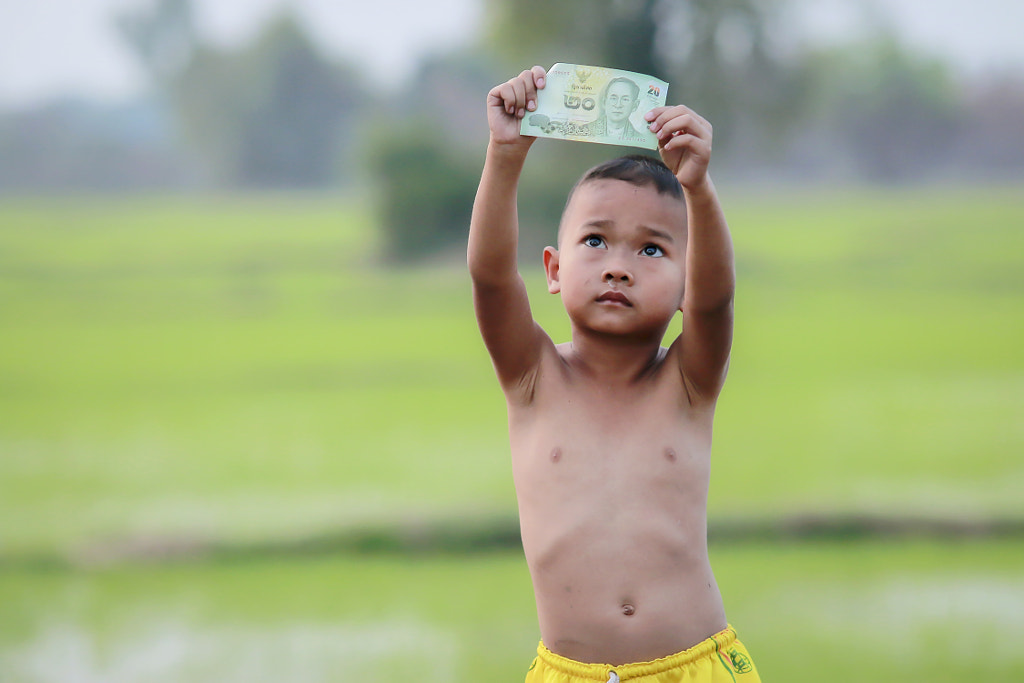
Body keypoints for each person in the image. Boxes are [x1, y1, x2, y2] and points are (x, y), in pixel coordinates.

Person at [468, 65, 762, 683]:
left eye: (651, 249)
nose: (618, 267)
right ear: (552, 268)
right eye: (596, 241)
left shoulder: (688, 383)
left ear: (687, 279)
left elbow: (715, 303)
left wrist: (699, 189)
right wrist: (504, 155)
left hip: (695, 666)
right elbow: (491, 278)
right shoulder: (532, 378)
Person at [585, 76, 648, 143]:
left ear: (635, 105)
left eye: (625, 99)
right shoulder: (585, 130)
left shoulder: (639, 139)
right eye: (613, 98)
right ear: (604, 102)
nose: (618, 105)